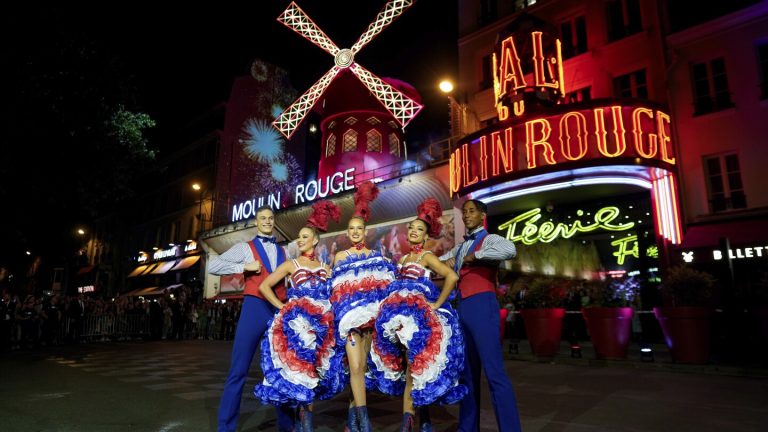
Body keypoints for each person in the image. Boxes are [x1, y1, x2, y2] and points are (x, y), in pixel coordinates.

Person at [369, 198, 467, 432]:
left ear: (425, 236)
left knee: (416, 367)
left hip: (419, 319)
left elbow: (452, 277)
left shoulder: (427, 257)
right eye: (411, 228)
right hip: (397, 317)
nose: (413, 231)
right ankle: (422, 421)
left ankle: (410, 423)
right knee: (410, 369)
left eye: (419, 229)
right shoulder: (401, 259)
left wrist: (437, 304)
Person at [254, 201, 344, 432]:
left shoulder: (326, 267)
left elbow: (335, 293)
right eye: (298, 237)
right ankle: (301, 426)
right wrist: (282, 307)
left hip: (322, 328)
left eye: (305, 236)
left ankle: (306, 426)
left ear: (315, 240)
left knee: (313, 374)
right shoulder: (290, 264)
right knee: (299, 374)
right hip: (298, 326)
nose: (300, 240)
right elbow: (265, 286)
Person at [208, 205, 295, 432]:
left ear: (274, 221)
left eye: (270, 218)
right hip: (253, 308)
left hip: (278, 311)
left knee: (282, 372)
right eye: (262, 218)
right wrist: (243, 266)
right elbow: (213, 265)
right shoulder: (245, 248)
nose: (267, 221)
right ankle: (225, 428)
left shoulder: (285, 251)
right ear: (256, 222)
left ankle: (287, 427)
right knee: (238, 370)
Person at [440, 199, 522, 432]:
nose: (466, 216)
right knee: (467, 374)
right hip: (462, 308)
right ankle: (468, 428)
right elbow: (441, 262)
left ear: (482, 215)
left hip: (482, 306)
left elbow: (511, 249)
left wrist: (475, 256)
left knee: (494, 372)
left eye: (471, 211)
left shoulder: (490, 239)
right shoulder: (459, 247)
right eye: (464, 212)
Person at [330, 181, 396, 432]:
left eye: (359, 228)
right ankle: (365, 422)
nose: (355, 232)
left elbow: (382, 289)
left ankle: (352, 422)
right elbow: (334, 290)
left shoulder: (375, 256)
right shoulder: (340, 257)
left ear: (365, 231)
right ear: (347, 232)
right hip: (348, 321)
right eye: (351, 229)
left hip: (369, 321)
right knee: (355, 367)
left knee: (362, 369)